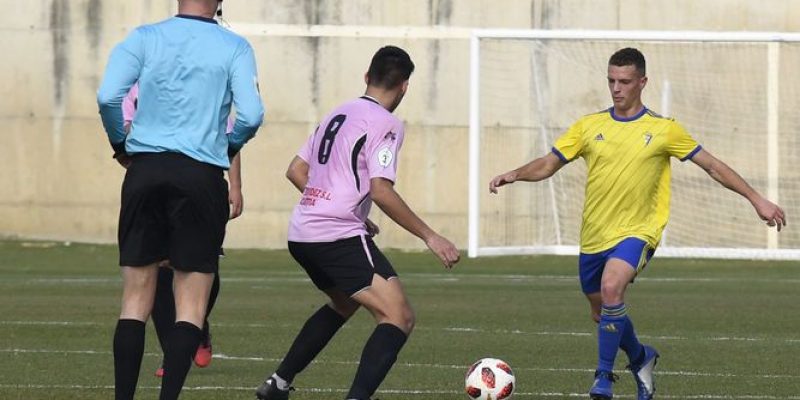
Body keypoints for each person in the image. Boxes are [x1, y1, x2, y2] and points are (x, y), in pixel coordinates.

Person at [488, 48, 785, 400]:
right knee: (602, 312)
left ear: (642, 82)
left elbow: (714, 166)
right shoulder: (589, 126)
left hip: (639, 232)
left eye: (625, 81)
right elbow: (549, 164)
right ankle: (642, 357)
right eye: (611, 81)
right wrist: (516, 174)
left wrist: (757, 199)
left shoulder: (664, 129)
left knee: (613, 287)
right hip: (594, 235)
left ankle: (603, 378)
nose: (616, 88)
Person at [254, 45, 460, 400]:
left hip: (302, 231)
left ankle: (278, 383)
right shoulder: (387, 124)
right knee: (398, 317)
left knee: (344, 302)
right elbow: (381, 190)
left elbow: (295, 170)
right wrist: (431, 236)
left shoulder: (337, 113)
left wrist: (333, 201)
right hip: (335, 234)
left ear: (367, 76)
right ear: (405, 86)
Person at [97, 0, 264, 398]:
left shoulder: (145, 37)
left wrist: (121, 143)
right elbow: (251, 114)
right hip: (201, 175)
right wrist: (227, 147)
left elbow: (108, 97)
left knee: (135, 300)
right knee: (191, 303)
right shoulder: (234, 46)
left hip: (145, 170)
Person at [121, 83, 243, 377]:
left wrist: (235, 186)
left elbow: (231, 136)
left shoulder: (204, 84)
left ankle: (198, 327)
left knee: (201, 268)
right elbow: (121, 126)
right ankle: (173, 351)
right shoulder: (138, 87)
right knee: (159, 270)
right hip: (155, 187)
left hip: (200, 186)